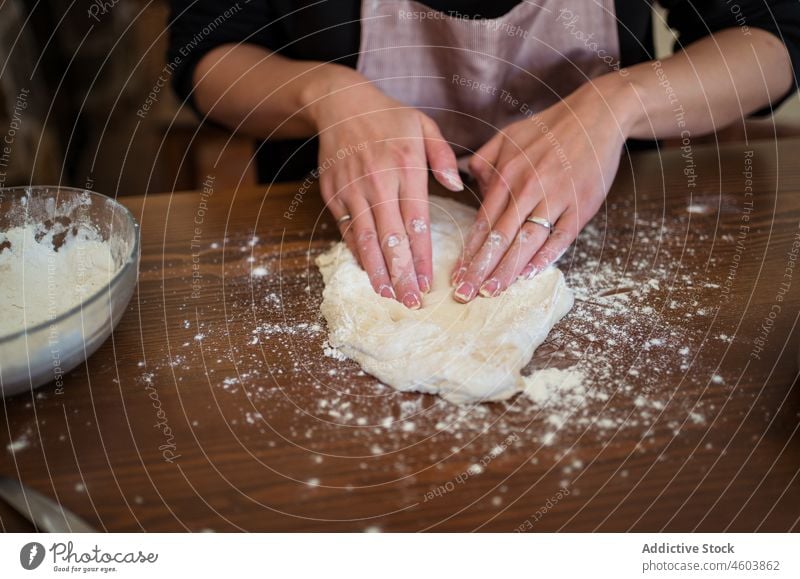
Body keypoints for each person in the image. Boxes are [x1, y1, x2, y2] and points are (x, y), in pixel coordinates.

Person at [168, 1, 798, 309]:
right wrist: (322, 92)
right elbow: (210, 55)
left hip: (607, 214)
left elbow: (773, 42)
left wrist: (619, 103)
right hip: (325, 212)